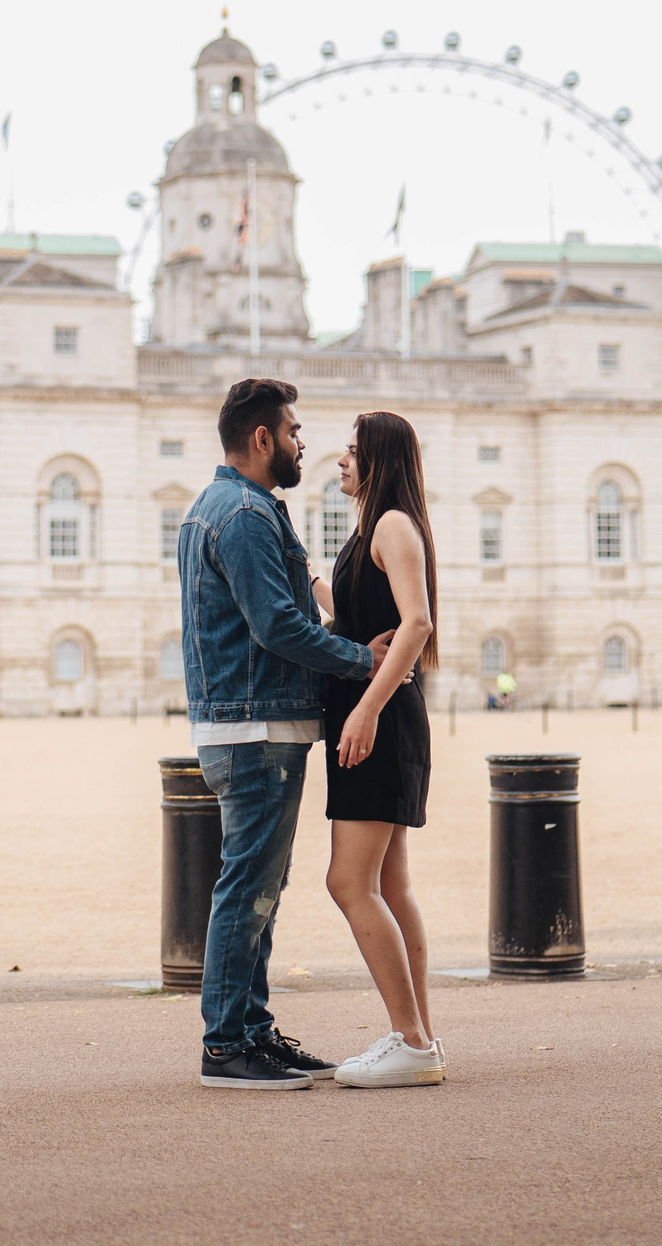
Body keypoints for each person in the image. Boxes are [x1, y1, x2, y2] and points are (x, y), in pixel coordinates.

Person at [178, 377, 395, 1091]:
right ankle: (225, 1045)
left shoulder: (233, 506)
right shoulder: (241, 512)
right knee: (248, 888)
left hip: (250, 721)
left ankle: (251, 1030)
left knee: (259, 886)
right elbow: (277, 625)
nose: (306, 443)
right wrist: (361, 657)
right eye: (296, 431)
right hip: (253, 725)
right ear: (262, 438)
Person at [314, 410, 447, 1089]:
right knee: (390, 884)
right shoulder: (374, 529)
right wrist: (311, 581)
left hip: (381, 722)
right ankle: (417, 1035)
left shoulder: (393, 524)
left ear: (380, 460)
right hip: (384, 719)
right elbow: (365, 619)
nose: (340, 460)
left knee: (348, 881)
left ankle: (413, 1039)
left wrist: (365, 710)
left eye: (352, 451)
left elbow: (416, 622)